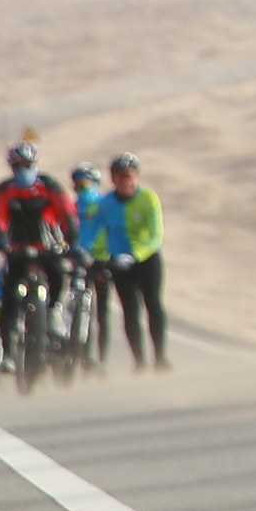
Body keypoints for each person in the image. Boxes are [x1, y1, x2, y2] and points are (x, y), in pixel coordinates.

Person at [0, 141, 75, 380]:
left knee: (58, 273)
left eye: (27, 165)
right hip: (17, 249)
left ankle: (53, 310)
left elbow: (66, 215)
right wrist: (1, 239)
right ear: (11, 167)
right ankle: (9, 354)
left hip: (47, 247)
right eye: (18, 165)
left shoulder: (49, 186)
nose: (23, 170)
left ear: (35, 165)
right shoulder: (5, 189)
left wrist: (70, 242)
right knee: (10, 295)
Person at [106, 153, 171, 371]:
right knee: (130, 310)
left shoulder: (149, 198)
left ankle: (160, 357)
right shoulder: (106, 203)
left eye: (130, 176)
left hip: (146, 258)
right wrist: (99, 255)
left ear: (137, 178)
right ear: (113, 179)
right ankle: (139, 361)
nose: (126, 181)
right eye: (121, 177)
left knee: (153, 303)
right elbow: (95, 232)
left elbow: (156, 236)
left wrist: (136, 255)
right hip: (118, 261)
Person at [71, 164, 124, 358]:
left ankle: (100, 358)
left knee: (102, 313)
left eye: (83, 185)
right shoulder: (72, 206)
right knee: (76, 307)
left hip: (101, 262)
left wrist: (111, 257)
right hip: (78, 261)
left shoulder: (104, 206)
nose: (79, 191)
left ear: (95, 184)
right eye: (76, 186)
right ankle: (77, 352)